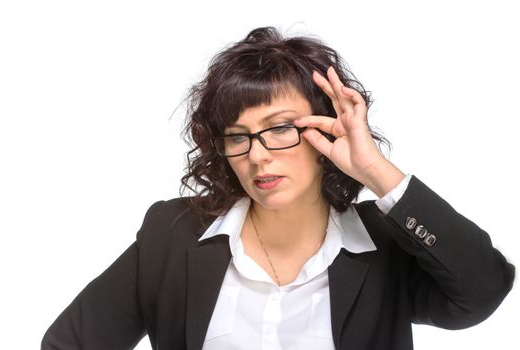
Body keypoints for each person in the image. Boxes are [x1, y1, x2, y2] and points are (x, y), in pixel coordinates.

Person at [41, 26, 515, 350]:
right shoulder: (175, 233)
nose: (258, 153)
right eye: (238, 135)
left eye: (280, 127)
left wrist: (374, 169)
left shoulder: (384, 244)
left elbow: (483, 290)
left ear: (324, 130)